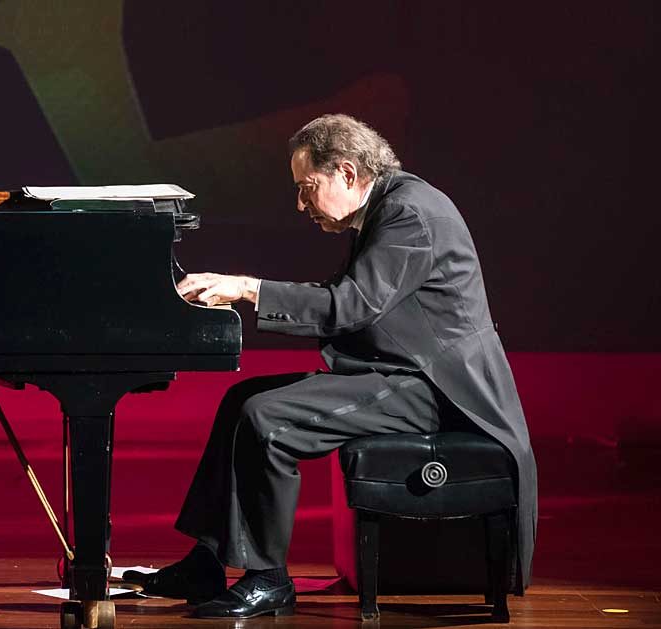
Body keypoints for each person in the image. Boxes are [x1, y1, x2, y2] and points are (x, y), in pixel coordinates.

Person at [127, 114, 537, 619]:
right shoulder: (389, 206)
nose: (301, 205)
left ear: (346, 172)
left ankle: (268, 578)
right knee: (241, 400)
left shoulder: (410, 214)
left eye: (307, 188)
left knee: (267, 419)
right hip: (400, 373)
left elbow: (350, 306)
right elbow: (349, 301)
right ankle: (206, 563)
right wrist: (245, 294)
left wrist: (250, 289)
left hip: (437, 387)